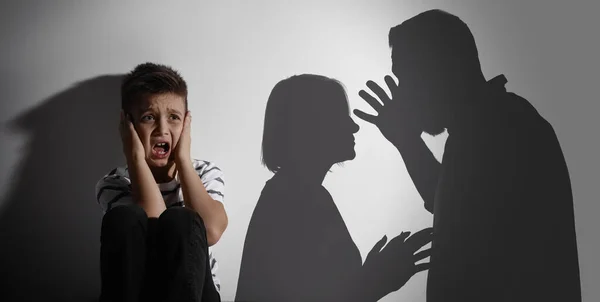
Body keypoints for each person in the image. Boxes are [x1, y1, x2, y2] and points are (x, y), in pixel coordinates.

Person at [355, 9, 581, 302]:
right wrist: (406, 141)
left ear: (439, 67)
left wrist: (407, 141)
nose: (403, 94)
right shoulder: (485, 127)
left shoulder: (503, 125)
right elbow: (456, 207)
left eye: (407, 76)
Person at [235, 74, 433, 302]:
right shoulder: (293, 200)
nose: (354, 126)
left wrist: (373, 278)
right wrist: (374, 280)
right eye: (340, 116)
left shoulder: (299, 194)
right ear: (310, 125)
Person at [95, 62, 228, 302]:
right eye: (148, 118)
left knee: (183, 220)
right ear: (129, 126)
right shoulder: (115, 182)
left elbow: (211, 231)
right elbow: (155, 233)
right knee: (123, 217)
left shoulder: (205, 171)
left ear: (186, 124)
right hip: (141, 293)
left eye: (174, 118)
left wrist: (184, 161)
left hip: (197, 295)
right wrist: (134, 156)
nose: (162, 130)